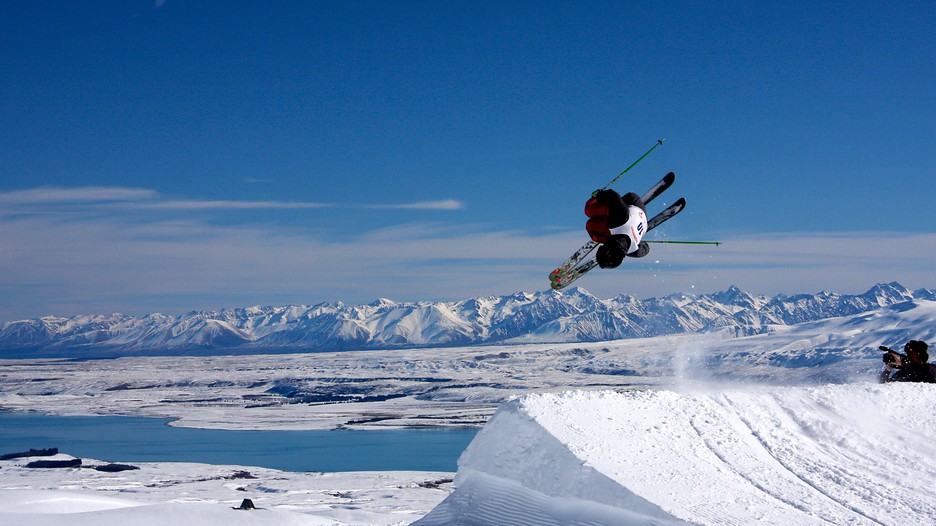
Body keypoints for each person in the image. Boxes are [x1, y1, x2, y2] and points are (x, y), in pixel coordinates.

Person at [584, 189, 650, 269]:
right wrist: (598, 195)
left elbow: (645, 250)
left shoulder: (632, 251)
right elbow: (613, 195)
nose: (603, 244)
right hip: (631, 201)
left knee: (599, 234)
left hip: (642, 220)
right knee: (589, 211)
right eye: (603, 246)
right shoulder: (618, 222)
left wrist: (639, 241)